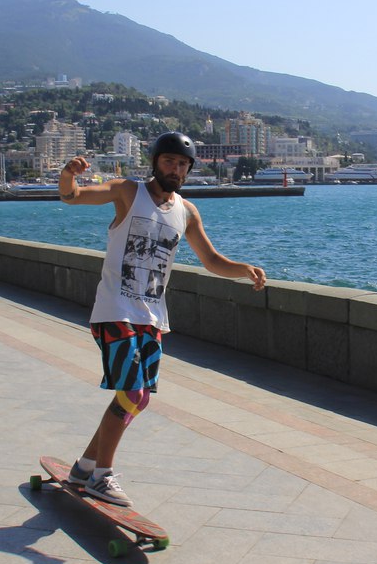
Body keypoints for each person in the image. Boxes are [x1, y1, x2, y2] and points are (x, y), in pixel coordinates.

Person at [57, 132, 266, 506]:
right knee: (132, 393)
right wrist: (68, 175)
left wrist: (242, 269)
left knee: (136, 400)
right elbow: (72, 197)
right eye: (169, 161)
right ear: (155, 162)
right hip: (115, 310)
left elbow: (210, 260)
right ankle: (102, 477)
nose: (176, 169)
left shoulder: (186, 212)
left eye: (183, 164)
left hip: (152, 316)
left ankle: (84, 467)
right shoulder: (128, 192)